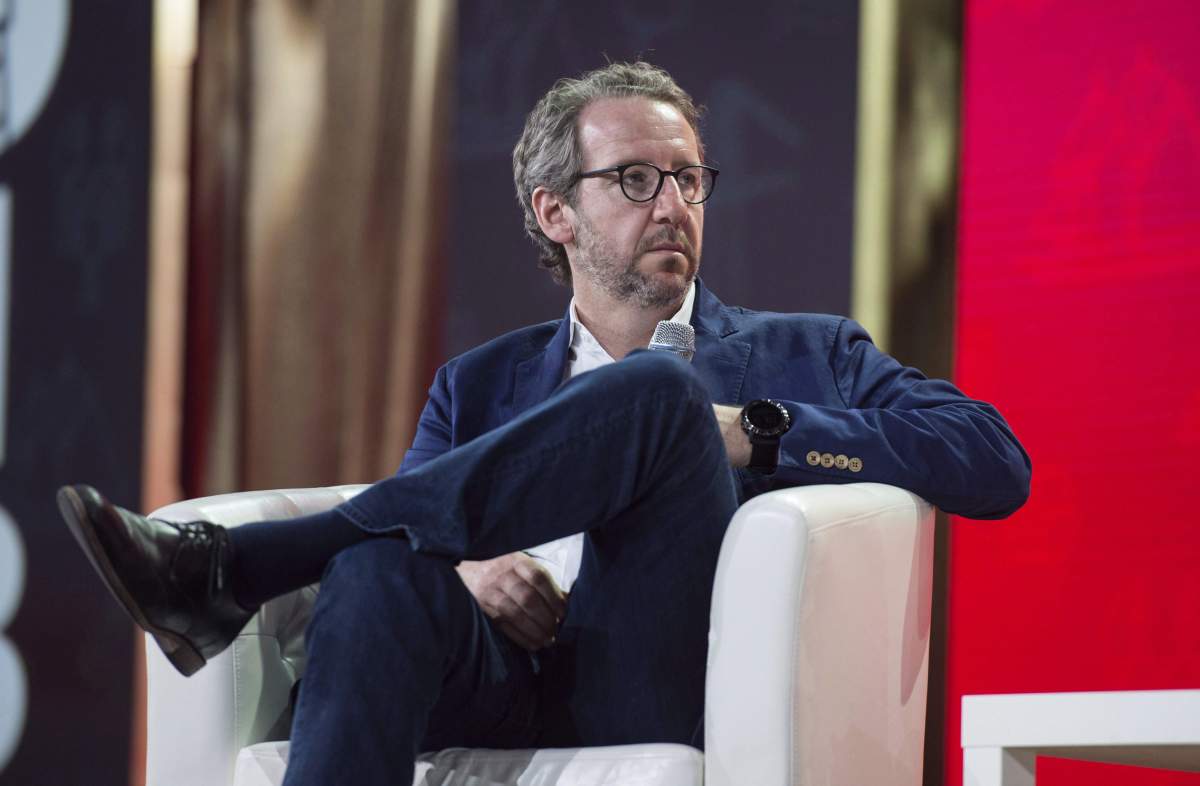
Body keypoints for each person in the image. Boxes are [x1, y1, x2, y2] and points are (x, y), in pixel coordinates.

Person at [58, 61, 1030, 785]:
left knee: (664, 391)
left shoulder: (807, 352)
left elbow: (995, 461)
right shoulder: (476, 383)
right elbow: (420, 520)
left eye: (691, 179)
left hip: (656, 673)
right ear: (555, 211)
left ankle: (245, 565)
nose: (675, 206)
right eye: (637, 180)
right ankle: (261, 568)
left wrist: (760, 432)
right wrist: (472, 570)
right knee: (375, 564)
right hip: (497, 673)